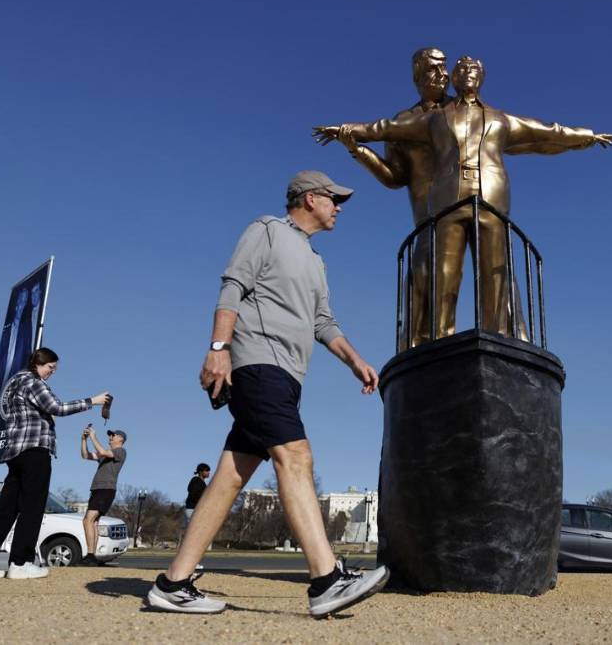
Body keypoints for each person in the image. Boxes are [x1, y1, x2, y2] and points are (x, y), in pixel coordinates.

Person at [146, 170, 389, 617]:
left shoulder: (317, 262)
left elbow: (322, 323)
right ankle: (326, 580)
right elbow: (233, 286)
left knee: (230, 478)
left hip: (288, 375)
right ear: (310, 198)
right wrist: (219, 348)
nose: (339, 207)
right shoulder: (267, 231)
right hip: (257, 363)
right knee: (296, 456)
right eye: (334, 199)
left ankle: (172, 583)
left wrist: (356, 361)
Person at [317, 56, 612, 339]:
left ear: (482, 78)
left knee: (495, 273)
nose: (464, 74)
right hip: (447, 200)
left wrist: (587, 137)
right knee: (443, 275)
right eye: (460, 70)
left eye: (473, 70)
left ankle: (495, 338)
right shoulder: (435, 119)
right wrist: (347, 131)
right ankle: (438, 340)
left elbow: (548, 133)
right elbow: (385, 128)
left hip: (491, 200)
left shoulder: (501, 118)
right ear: (454, 80)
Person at [322, 47, 450, 349]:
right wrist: (357, 150)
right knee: (421, 285)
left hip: (469, 206)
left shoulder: (463, 111)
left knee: (495, 272)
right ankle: (419, 351)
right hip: (427, 219)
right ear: (418, 76)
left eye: (444, 67)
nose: (442, 74)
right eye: (433, 68)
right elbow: (395, 177)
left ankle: (506, 335)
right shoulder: (402, 122)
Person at [0, 347, 110, 579]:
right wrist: (92, 401)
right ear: (39, 363)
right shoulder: (33, 382)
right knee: (32, 506)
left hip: (15, 452)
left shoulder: (14, 383)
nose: (52, 372)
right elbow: (58, 408)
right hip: (34, 450)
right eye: (51, 367)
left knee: (6, 508)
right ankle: (20, 563)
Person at [79, 427, 128, 566]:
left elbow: (102, 451)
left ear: (121, 439)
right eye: (110, 435)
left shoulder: (120, 451)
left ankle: (90, 555)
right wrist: (84, 440)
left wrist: (93, 436)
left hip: (106, 489)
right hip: (97, 489)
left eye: (114, 435)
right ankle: (92, 556)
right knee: (93, 522)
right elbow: (86, 455)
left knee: (87, 520)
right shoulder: (105, 455)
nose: (110, 437)